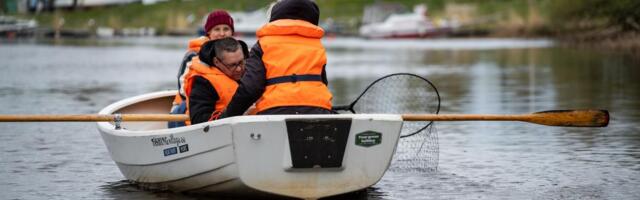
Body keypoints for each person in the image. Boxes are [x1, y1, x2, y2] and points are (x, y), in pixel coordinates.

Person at [219, 0, 333, 119]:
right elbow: (322, 83)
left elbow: (250, 89)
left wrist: (227, 115)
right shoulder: (317, 46)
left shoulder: (263, 45)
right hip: (318, 110)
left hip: (275, 111)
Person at [169, 10, 235, 128]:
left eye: (226, 29)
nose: (222, 33)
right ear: (209, 32)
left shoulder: (237, 54)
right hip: (185, 107)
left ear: (232, 32)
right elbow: (183, 89)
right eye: (217, 29)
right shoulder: (193, 55)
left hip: (219, 106)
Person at [182, 37, 248, 125]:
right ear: (216, 62)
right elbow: (198, 120)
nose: (239, 69)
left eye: (241, 62)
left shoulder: (251, 72)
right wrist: (237, 112)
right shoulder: (203, 82)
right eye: (232, 65)